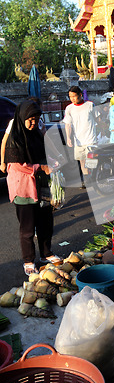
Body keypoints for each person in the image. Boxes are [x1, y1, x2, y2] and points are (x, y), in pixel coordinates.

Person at [4, 100, 61, 276]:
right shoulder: (15, 139)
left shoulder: (36, 134)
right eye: (30, 120)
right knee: (28, 228)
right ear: (22, 118)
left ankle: (46, 254)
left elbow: (46, 152)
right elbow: (16, 166)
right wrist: (40, 167)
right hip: (24, 188)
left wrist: (54, 161)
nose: (33, 123)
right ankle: (28, 260)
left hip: (41, 185)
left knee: (45, 223)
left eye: (36, 119)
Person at [63, 86, 97, 189]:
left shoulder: (90, 105)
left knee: (91, 160)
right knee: (82, 161)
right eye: (70, 97)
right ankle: (87, 179)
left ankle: (93, 177)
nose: (72, 99)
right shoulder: (69, 108)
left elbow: (98, 119)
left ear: (80, 95)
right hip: (78, 140)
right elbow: (68, 124)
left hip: (91, 138)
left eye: (74, 96)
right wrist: (68, 137)